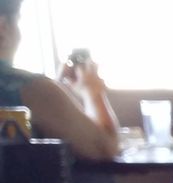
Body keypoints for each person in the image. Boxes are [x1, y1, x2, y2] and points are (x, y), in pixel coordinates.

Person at [0, 0, 119, 160]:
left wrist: (58, 91)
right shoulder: (27, 88)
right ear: (3, 26)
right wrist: (92, 92)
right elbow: (104, 148)